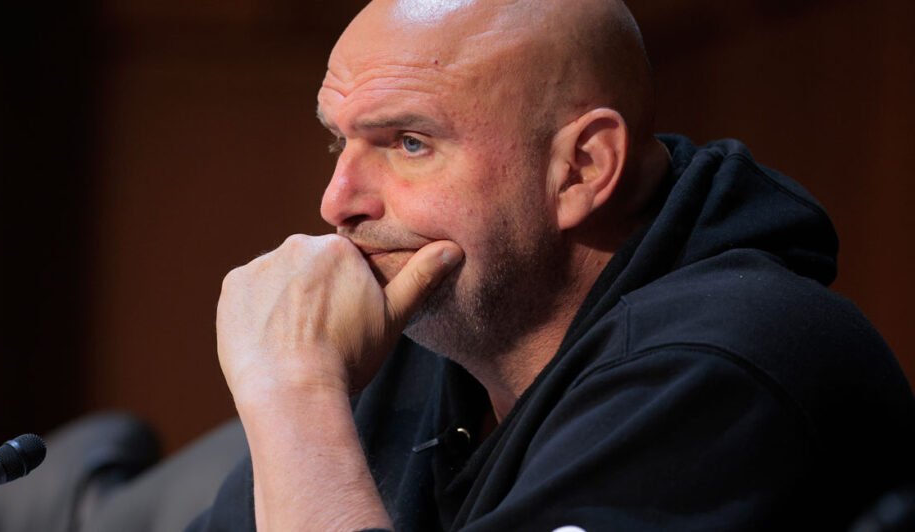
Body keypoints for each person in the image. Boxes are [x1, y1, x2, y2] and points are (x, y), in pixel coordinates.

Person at [189, 0, 915, 530]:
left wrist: (296, 396)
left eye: (409, 142)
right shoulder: (435, 323)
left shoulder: (731, 366)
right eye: (337, 143)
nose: (336, 201)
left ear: (582, 168)